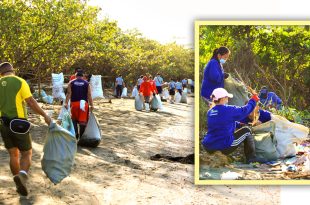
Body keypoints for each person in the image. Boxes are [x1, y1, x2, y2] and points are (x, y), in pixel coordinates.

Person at [0, 62, 52, 196]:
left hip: (3, 124)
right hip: (19, 123)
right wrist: (44, 115)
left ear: (1, 73)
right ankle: (22, 175)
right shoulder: (20, 81)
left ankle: (18, 181)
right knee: (27, 153)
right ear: (13, 71)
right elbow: (31, 102)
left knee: (13, 154)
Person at [201, 87, 266, 164]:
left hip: (208, 146)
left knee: (243, 128)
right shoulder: (228, 109)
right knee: (247, 131)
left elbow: (222, 123)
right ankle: (251, 159)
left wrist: (239, 124)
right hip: (223, 146)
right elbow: (244, 110)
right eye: (226, 96)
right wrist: (253, 100)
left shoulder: (210, 112)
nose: (227, 98)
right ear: (221, 99)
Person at [65, 69, 94, 139]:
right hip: (84, 105)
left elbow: (69, 93)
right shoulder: (87, 83)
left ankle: (76, 134)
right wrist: (92, 105)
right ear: (83, 76)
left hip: (74, 104)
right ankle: (81, 136)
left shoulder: (71, 82)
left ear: (75, 75)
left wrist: (66, 103)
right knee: (82, 121)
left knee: (74, 120)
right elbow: (89, 95)